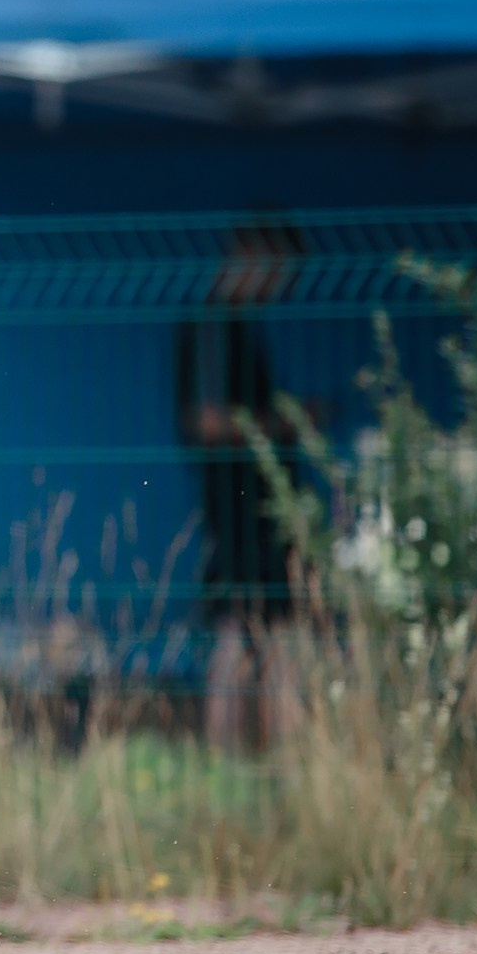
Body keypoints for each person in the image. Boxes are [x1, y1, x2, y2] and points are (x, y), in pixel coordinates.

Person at [174, 218, 303, 750]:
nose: (281, 288)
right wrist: (286, 424)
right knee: (241, 628)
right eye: (279, 273)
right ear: (250, 256)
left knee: (274, 629)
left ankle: (272, 759)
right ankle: (228, 759)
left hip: (260, 512)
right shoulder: (210, 324)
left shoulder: (237, 326)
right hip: (236, 511)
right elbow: (204, 421)